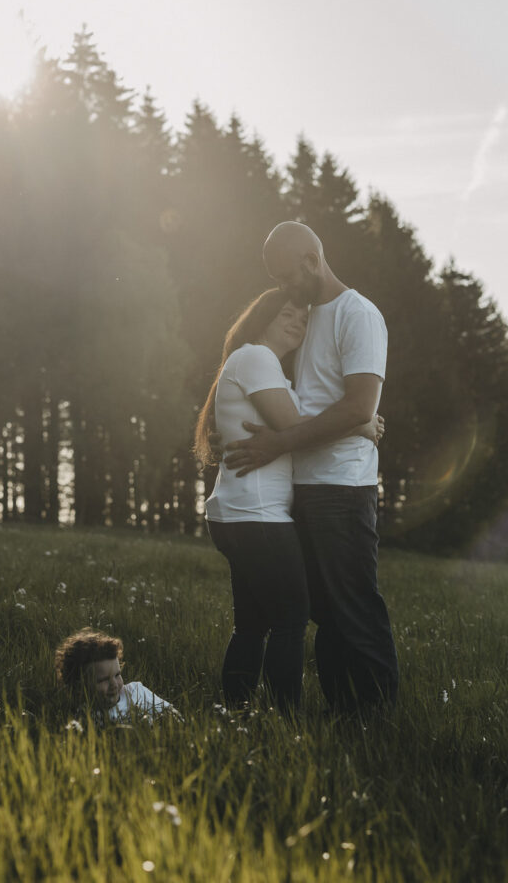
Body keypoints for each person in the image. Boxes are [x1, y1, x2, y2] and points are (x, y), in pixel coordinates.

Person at [225, 222, 399, 713]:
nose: (284, 287)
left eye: (287, 276)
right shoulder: (303, 319)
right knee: (324, 611)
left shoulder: (358, 314)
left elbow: (359, 405)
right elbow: (286, 398)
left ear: (311, 260)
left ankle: (376, 719)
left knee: (354, 606)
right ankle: (343, 712)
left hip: (343, 486)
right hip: (302, 484)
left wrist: (279, 443)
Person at [194, 289, 382, 714]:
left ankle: (237, 713)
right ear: (262, 318)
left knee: (251, 624)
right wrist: (361, 423)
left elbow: (289, 429)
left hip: (239, 512)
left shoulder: (260, 365)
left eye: (303, 318)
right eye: (286, 314)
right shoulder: (256, 357)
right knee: (291, 620)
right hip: (257, 515)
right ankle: (286, 721)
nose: (297, 322)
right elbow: (294, 426)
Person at [55, 627, 180, 723]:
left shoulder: (136, 691)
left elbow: (172, 713)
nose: (114, 684)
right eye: (103, 680)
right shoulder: (86, 716)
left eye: (117, 675)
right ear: (79, 687)